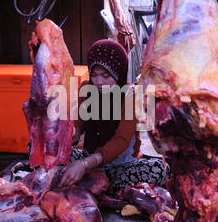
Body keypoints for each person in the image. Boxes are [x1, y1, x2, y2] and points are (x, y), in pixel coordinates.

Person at [58, 39, 169, 190]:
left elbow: (121, 141)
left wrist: (84, 164)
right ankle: (98, 183)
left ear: (119, 74)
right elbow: (79, 124)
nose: (98, 81)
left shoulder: (131, 95)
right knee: (43, 151)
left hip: (120, 165)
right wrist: (72, 135)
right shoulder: (86, 88)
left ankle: (97, 182)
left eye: (106, 75)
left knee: (159, 169)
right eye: (94, 74)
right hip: (88, 158)